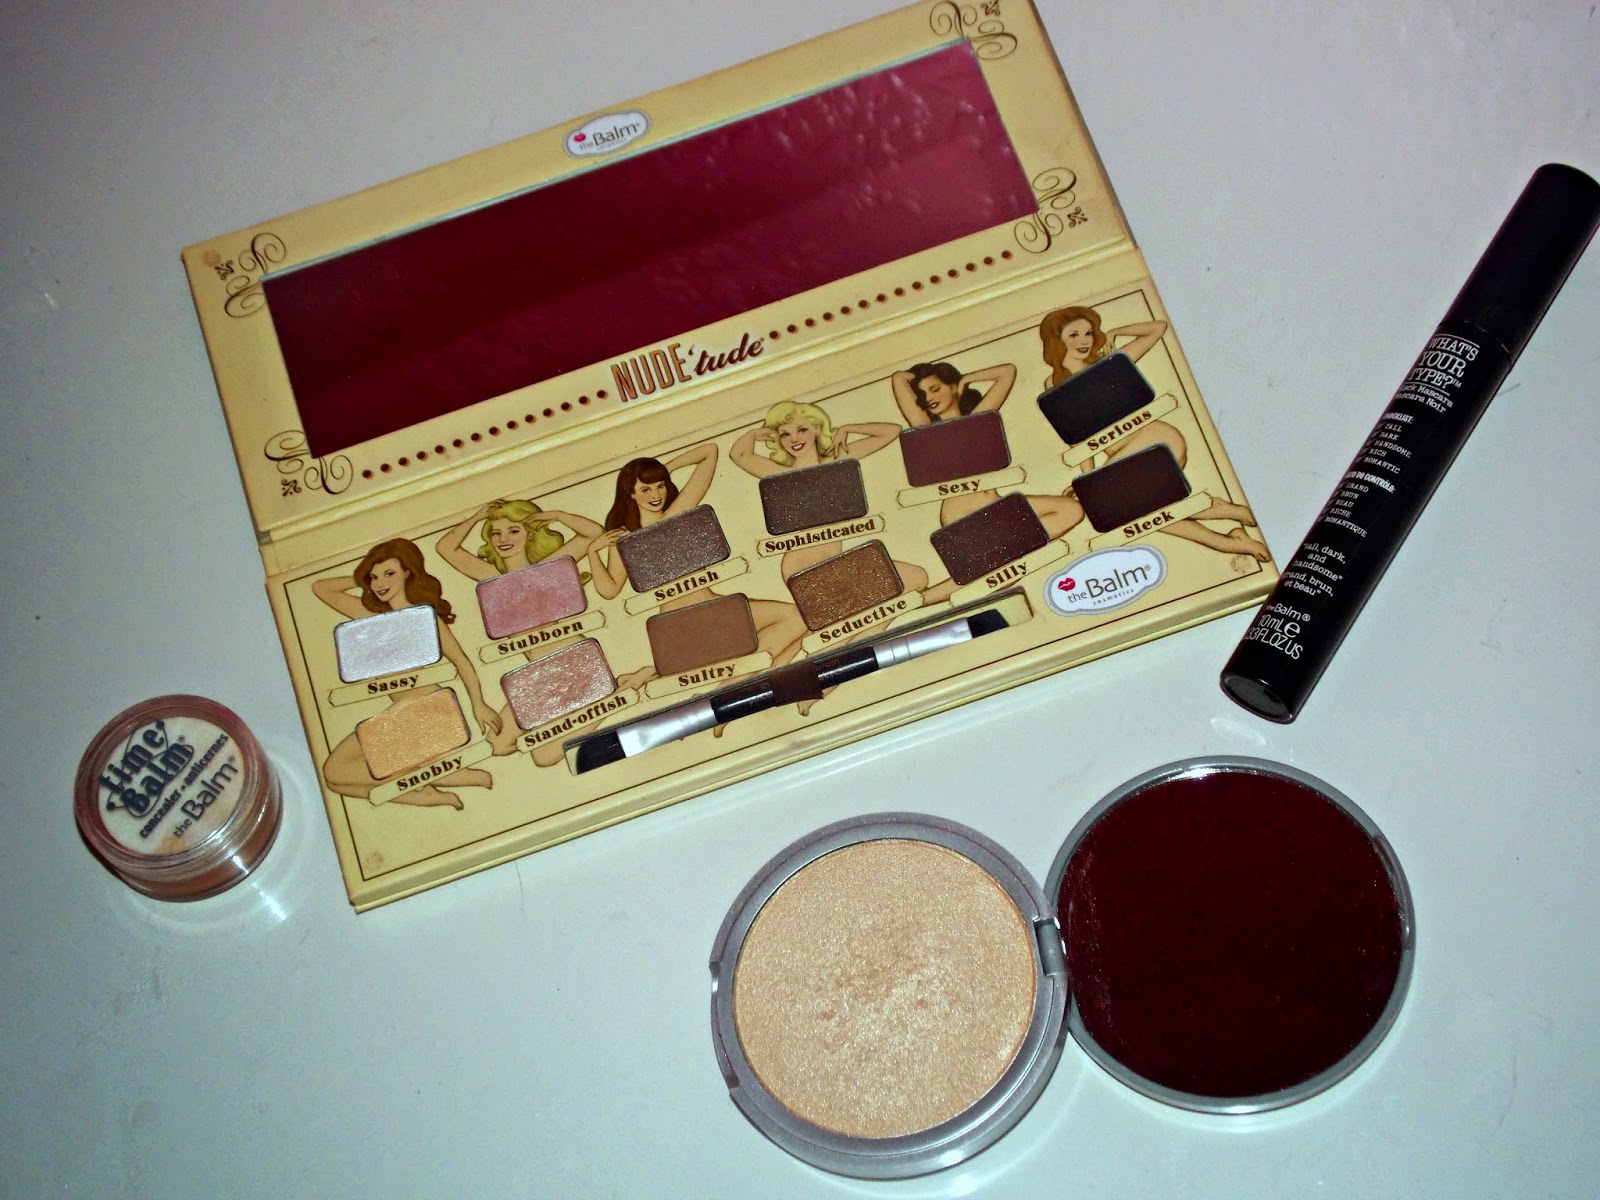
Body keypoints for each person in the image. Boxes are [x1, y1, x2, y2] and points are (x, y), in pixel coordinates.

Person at [1038, 306, 1269, 561]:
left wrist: (1116, 332)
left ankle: (1225, 520)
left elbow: (1157, 328)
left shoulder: (1109, 362)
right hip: (1130, 455)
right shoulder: (1053, 385)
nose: (1084, 341)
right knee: (1139, 512)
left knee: (1112, 500)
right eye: (1073, 335)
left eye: (1089, 333)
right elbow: (1079, 440)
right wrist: (1088, 480)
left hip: (1157, 440)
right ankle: (1229, 536)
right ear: (1056, 341)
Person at [312, 538, 500, 810]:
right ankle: (428, 786)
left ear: (408, 573)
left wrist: (478, 704)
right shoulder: (368, 614)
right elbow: (321, 588)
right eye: (374, 577)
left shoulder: (424, 617)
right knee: (335, 781)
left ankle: (439, 777)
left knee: (336, 771)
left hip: (431, 712)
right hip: (405, 715)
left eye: (389, 573)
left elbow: (460, 660)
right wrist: (363, 578)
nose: (380, 583)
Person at [589, 443, 809, 670]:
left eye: (660, 486)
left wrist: (668, 468)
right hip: (680, 623)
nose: (656, 495)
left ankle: (741, 675)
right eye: (645, 489)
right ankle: (743, 674)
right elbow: (609, 590)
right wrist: (593, 552)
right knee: (794, 623)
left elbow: (710, 451)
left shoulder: (677, 513)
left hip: (715, 607)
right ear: (631, 493)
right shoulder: (625, 539)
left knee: (799, 617)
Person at [730, 400, 928, 594]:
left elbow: (891, 431)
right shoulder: (779, 474)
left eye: (802, 430)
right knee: (912, 580)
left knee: (915, 578)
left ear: (817, 429)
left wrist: (847, 429)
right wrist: (753, 434)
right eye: (785, 434)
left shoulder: (837, 461)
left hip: (835, 559)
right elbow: (738, 454)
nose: (794, 439)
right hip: (801, 566)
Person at [891, 360, 1087, 537]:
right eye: (922, 395)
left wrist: (966, 379)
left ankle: (1007, 545)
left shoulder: (979, 418)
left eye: (934, 389)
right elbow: (898, 378)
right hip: (961, 514)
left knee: (1071, 510)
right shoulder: (926, 429)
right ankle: (1005, 545)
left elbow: (1007, 372)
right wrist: (917, 375)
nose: (929, 398)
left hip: (995, 504)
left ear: (953, 387)